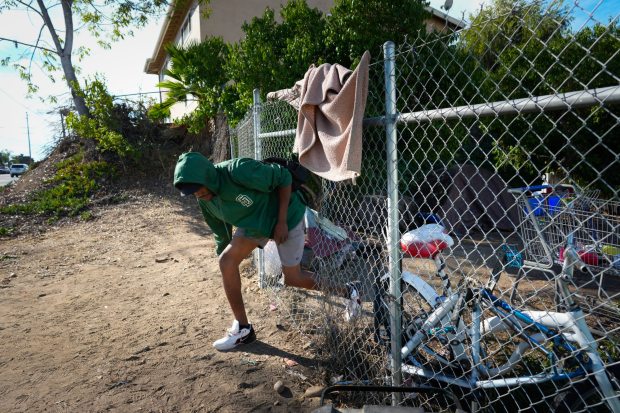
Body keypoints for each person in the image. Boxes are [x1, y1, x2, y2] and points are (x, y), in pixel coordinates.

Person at [173, 152, 361, 351]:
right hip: (255, 224)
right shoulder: (205, 199)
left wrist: (280, 222)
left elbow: (284, 178)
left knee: (293, 278)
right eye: (192, 192)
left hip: (286, 215)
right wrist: (228, 263)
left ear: (207, 177)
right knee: (226, 261)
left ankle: (349, 291)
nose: (198, 195)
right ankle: (244, 330)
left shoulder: (238, 170)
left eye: (198, 189)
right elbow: (220, 232)